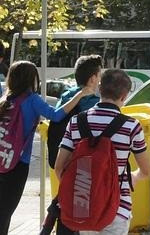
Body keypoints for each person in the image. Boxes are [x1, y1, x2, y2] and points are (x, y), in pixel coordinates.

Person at [0, 61, 94, 235]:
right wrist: (80, 95)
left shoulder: (6, 100)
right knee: (6, 211)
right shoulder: (32, 100)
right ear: (32, 79)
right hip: (17, 164)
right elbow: (56, 116)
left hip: (2, 159)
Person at [54, 69, 150, 235]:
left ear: (99, 89)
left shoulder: (76, 121)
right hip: (117, 209)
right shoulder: (131, 126)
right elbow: (146, 171)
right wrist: (133, 177)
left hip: (84, 209)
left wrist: (84, 188)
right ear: (125, 96)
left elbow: (59, 167)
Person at [47, 55, 102, 235]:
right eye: (99, 74)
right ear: (93, 78)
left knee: (67, 201)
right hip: (84, 161)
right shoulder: (93, 102)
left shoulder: (67, 95)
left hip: (64, 157)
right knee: (82, 210)